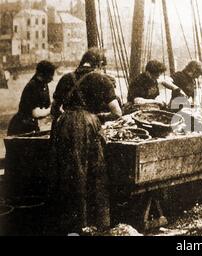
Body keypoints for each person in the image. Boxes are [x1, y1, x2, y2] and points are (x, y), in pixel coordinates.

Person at [50, 48, 122, 234]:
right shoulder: (101, 79)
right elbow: (117, 113)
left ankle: (69, 223)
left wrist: (69, 120)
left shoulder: (66, 78)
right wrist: (97, 117)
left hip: (64, 126)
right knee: (94, 173)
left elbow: (55, 110)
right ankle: (95, 223)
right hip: (88, 125)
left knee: (67, 173)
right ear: (99, 64)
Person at [7, 61, 56, 136]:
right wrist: (52, 109)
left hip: (31, 124)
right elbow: (35, 113)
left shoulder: (44, 85)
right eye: (50, 75)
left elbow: (46, 106)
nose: (52, 78)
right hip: (21, 126)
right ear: (41, 74)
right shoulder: (32, 86)